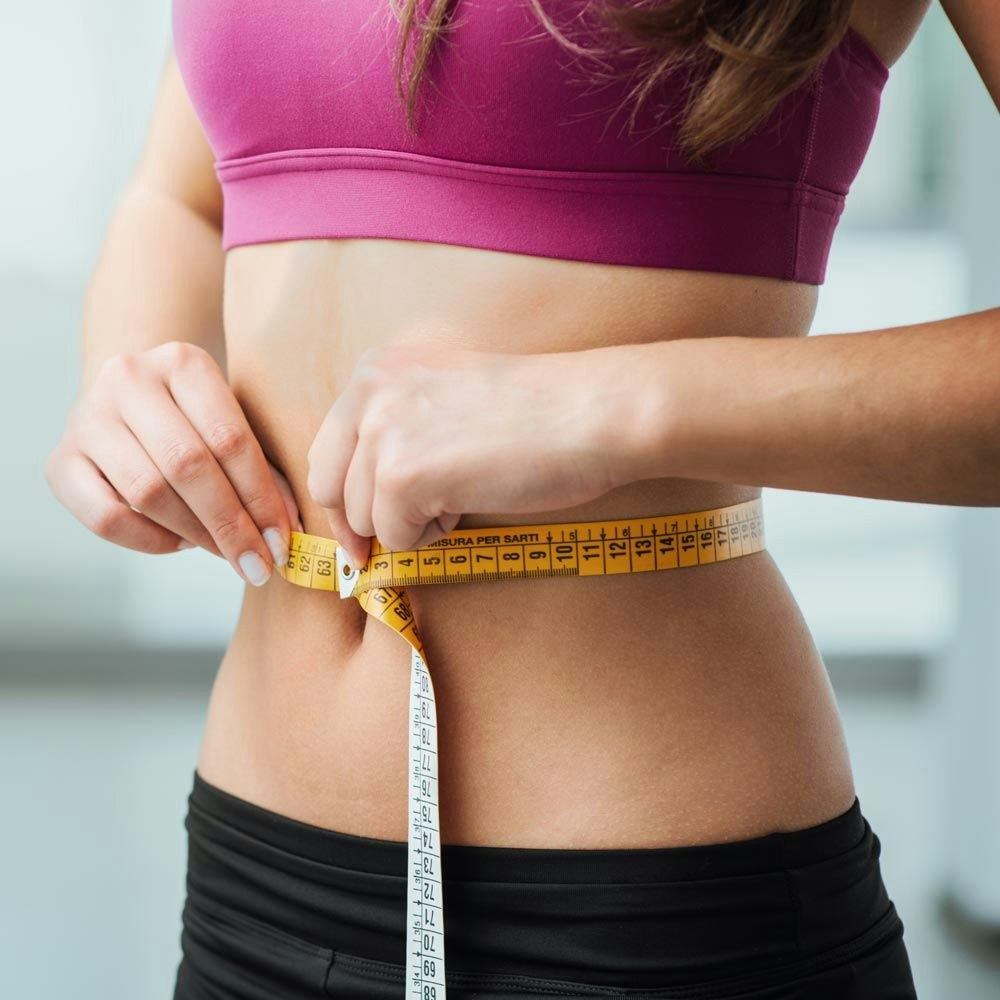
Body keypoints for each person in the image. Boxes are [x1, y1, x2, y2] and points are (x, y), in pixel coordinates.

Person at [42, 0, 998, 997]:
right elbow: (181, 197)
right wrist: (128, 378)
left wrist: (604, 407)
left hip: (646, 915)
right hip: (252, 877)